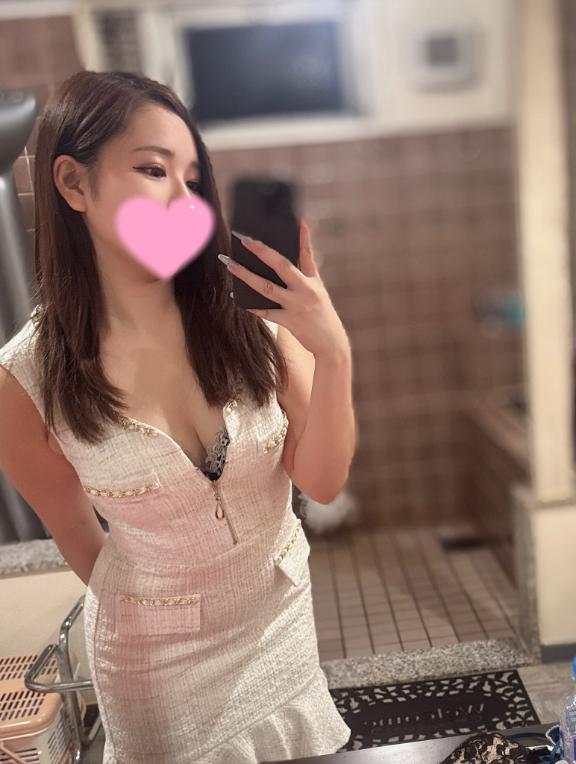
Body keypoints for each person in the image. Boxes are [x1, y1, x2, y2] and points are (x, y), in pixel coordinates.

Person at [0, 70, 356, 762]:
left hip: (280, 625)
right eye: (153, 169)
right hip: (154, 672)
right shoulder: (26, 380)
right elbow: (74, 533)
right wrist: (160, 611)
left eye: (193, 179)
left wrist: (332, 351)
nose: (183, 200)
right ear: (73, 183)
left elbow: (323, 481)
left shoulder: (250, 317)